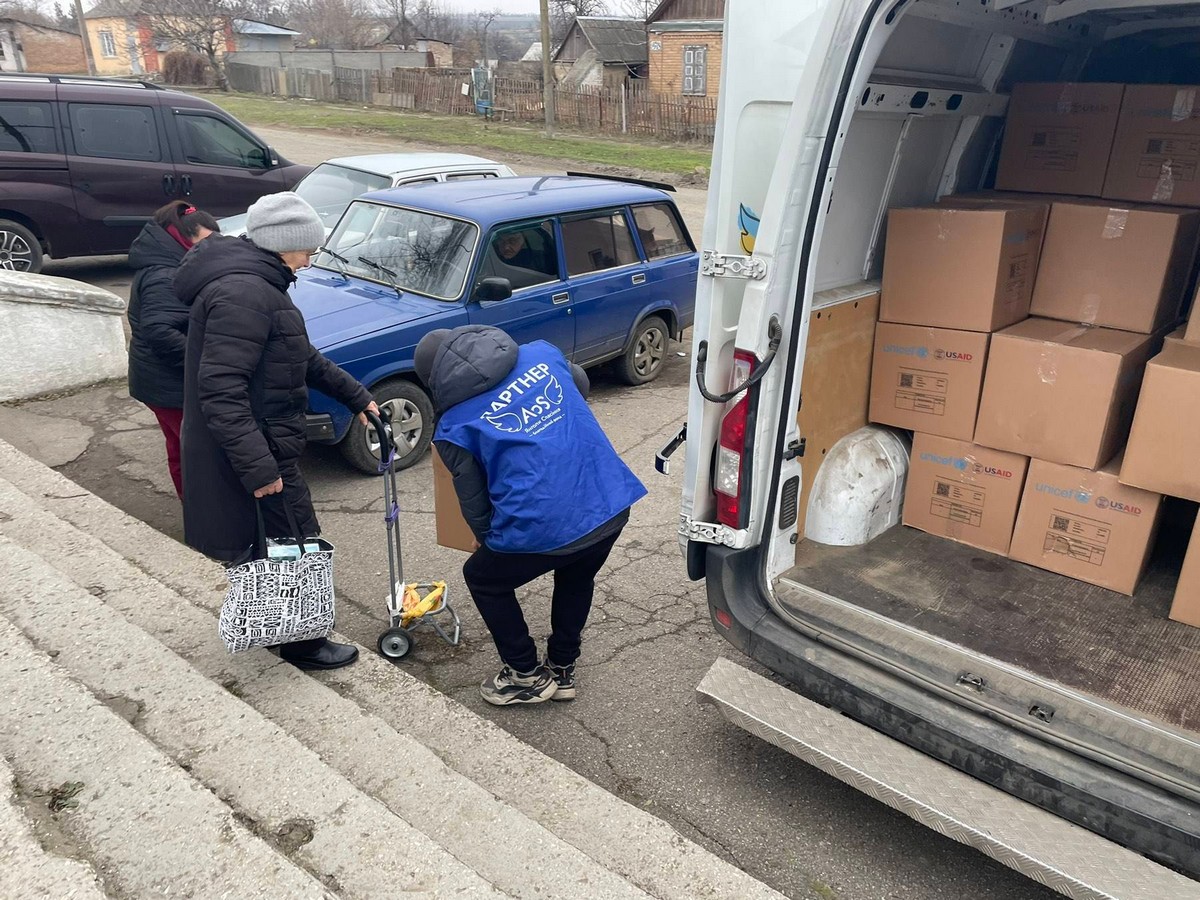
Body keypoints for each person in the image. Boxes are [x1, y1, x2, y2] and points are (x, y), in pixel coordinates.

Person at [175, 192, 378, 671]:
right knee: (293, 542)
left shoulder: (258, 285)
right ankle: (301, 642)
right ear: (282, 244)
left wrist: (357, 397)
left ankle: (282, 627)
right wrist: (260, 468)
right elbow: (221, 391)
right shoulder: (246, 294)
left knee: (283, 542)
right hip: (261, 446)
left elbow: (298, 355)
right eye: (307, 249)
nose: (310, 260)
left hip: (268, 439)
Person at [415, 325, 646, 705]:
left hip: (548, 525)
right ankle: (562, 668)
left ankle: (524, 673)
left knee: (484, 577)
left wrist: (488, 538)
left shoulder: (454, 427)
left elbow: (473, 499)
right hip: (608, 502)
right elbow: (581, 387)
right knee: (577, 573)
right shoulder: (542, 354)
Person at [126, 201, 220, 499]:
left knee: (180, 450)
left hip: (158, 382)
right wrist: (205, 363)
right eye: (204, 243)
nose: (210, 250)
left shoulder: (169, 264)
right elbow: (160, 331)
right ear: (182, 238)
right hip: (170, 385)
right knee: (202, 455)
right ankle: (210, 521)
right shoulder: (165, 275)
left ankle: (196, 512)